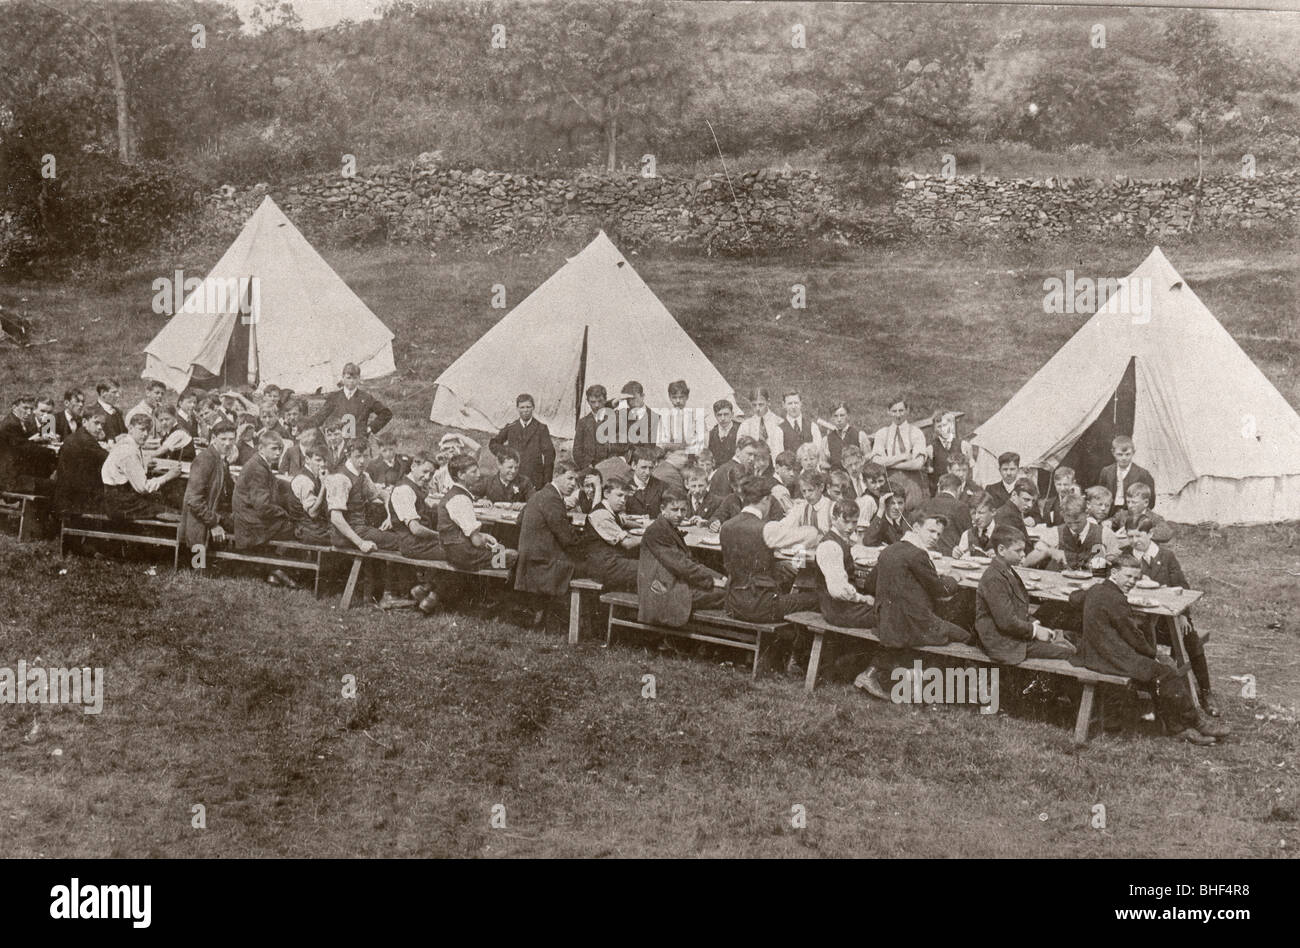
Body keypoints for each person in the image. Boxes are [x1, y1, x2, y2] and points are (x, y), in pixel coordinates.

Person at [1070, 555, 1228, 744]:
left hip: (1094, 654)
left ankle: (1180, 727)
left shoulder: (1097, 590)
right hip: (1109, 658)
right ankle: (1194, 722)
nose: (1131, 582)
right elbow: (1133, 637)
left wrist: (1087, 589)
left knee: (1160, 673)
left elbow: (1074, 599)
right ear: (1115, 573)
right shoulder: (1116, 599)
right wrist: (1155, 654)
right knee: (1166, 672)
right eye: (1128, 576)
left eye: (1135, 579)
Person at [855, 513, 970, 700]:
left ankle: (876, 673)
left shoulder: (889, 550)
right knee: (964, 635)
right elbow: (942, 590)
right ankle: (933, 686)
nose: (935, 537)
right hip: (910, 625)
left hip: (885, 622)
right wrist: (954, 577)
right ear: (915, 528)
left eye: (939, 534)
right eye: (931, 531)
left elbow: (869, 585)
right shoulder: (918, 554)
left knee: (942, 621)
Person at [719, 475, 820, 670]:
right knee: (815, 599)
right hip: (761, 606)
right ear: (766, 500)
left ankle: (781, 654)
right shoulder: (767, 529)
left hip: (733, 602)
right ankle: (797, 659)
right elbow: (811, 534)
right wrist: (797, 512)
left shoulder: (727, 526)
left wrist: (775, 565)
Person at [1131, 515, 1217, 714]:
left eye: (1139, 535)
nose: (1135, 541)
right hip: (1138, 621)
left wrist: (1182, 614)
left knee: (1190, 637)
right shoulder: (1128, 557)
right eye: (1131, 536)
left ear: (1150, 534)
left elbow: (1183, 588)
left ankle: (1206, 692)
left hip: (1167, 619)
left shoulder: (1165, 556)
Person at [974, 527, 1076, 663]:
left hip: (1011, 635)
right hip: (1001, 642)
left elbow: (1015, 612)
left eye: (1023, 550)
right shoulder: (994, 578)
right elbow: (1007, 622)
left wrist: (1035, 625)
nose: (1023, 555)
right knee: (1067, 652)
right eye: (1018, 551)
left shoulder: (1007, 570)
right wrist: (1035, 631)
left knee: (1066, 638)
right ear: (1001, 550)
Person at [637, 486, 726, 627]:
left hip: (671, 582)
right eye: (674, 510)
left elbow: (688, 563)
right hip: (662, 589)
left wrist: (720, 577)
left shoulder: (668, 527)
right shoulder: (657, 531)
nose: (679, 514)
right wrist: (711, 580)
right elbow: (681, 565)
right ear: (662, 508)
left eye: (683, 510)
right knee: (725, 594)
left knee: (724, 590)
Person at [514, 459, 582, 625]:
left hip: (529, 560)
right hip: (543, 562)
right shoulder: (552, 499)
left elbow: (518, 520)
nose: (574, 484)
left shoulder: (540, 494)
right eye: (570, 478)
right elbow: (567, 539)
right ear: (557, 475)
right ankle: (580, 622)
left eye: (576, 480)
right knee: (588, 566)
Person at [386, 453, 444, 614]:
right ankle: (433, 595)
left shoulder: (413, 487)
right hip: (413, 543)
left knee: (458, 548)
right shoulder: (404, 489)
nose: (427, 477)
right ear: (413, 466)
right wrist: (439, 536)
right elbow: (416, 529)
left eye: (431, 474)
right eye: (425, 472)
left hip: (418, 542)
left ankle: (426, 589)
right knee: (458, 553)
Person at [100, 413, 182, 522]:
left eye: (148, 430)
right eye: (142, 429)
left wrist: (144, 464)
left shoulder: (128, 444)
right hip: (122, 504)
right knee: (172, 512)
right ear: (130, 428)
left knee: (164, 500)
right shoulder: (128, 451)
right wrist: (169, 476)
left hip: (121, 498)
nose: (145, 434)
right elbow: (144, 487)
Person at [325, 438, 400, 554]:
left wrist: (389, 516)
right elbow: (336, 517)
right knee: (400, 540)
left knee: (398, 532)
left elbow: (385, 495)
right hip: (346, 535)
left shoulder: (363, 476)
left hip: (360, 529)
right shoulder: (341, 479)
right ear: (348, 456)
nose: (362, 461)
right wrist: (361, 543)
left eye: (366, 456)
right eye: (358, 456)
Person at [232, 430, 299, 552]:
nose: (278, 453)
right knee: (296, 528)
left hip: (250, 516)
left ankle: (278, 562)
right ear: (261, 448)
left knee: (293, 522)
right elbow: (262, 506)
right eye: (274, 449)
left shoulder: (260, 463)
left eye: (280, 449)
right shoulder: (258, 468)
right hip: (249, 523)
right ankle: (280, 565)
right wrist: (283, 513)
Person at [815, 498, 877, 629]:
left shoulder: (842, 540)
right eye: (845, 521)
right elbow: (839, 591)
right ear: (834, 519)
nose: (850, 527)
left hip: (843, 607)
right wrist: (863, 599)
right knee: (892, 614)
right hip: (839, 611)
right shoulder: (830, 546)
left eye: (854, 522)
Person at [577, 477, 641, 592]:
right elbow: (628, 543)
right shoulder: (601, 514)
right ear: (606, 494)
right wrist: (652, 533)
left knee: (647, 565)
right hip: (604, 566)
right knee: (649, 568)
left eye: (625, 497)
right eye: (619, 495)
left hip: (611, 562)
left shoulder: (610, 510)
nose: (623, 500)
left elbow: (624, 521)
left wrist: (644, 526)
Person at [181, 420, 237, 550]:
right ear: (213, 438)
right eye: (223, 439)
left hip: (216, 513)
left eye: (231, 439)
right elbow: (194, 500)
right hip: (202, 521)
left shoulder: (221, 459)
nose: (228, 443)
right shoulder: (204, 460)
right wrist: (214, 524)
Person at [1028, 494, 1121, 571]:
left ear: (1087, 513)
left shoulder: (1105, 533)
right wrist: (1049, 552)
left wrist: (1108, 559)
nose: (1074, 525)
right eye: (1069, 521)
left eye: (1077, 521)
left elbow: (1118, 561)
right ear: (1062, 515)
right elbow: (1028, 562)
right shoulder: (1054, 533)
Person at [869, 396, 929, 510]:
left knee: (913, 515)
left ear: (907, 410)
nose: (898, 415)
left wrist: (889, 462)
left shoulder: (916, 433)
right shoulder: (882, 433)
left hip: (912, 484)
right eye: (894, 411)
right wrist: (903, 457)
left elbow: (918, 464)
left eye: (901, 410)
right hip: (890, 481)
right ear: (888, 412)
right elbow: (876, 461)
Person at [304, 362, 392, 437]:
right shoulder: (334, 397)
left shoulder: (366, 398)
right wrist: (304, 424)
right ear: (342, 377)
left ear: (359, 378)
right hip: (339, 440)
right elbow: (320, 417)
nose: (351, 381)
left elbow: (386, 413)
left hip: (359, 441)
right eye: (348, 378)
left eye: (355, 378)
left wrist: (370, 428)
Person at [489, 392, 555, 490]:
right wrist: (507, 453)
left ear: (533, 408)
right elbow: (493, 443)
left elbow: (549, 455)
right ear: (517, 408)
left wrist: (546, 481)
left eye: (528, 407)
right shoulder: (511, 427)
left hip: (534, 476)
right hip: (514, 474)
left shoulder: (541, 428)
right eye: (522, 407)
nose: (525, 410)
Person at [53, 411, 110, 519]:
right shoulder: (86, 440)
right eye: (96, 423)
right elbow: (109, 460)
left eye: (102, 425)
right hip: (77, 498)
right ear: (84, 422)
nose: (99, 428)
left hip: (69, 494)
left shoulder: (79, 435)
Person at [286, 435, 334, 547]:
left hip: (314, 526)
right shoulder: (304, 480)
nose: (322, 464)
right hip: (304, 528)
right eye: (318, 460)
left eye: (324, 460)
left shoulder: (315, 476)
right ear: (307, 459)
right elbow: (312, 513)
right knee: (341, 539)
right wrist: (324, 486)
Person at [1097, 434, 1156, 518]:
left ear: (1133, 452)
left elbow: (1150, 501)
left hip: (1132, 515)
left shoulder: (1143, 474)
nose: (1124, 458)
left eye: (1127, 454)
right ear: (1113, 453)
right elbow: (1101, 495)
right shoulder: (1106, 472)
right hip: (1109, 513)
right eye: (1120, 454)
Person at [923, 473, 973, 556]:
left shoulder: (925, 504)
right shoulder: (961, 507)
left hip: (926, 553)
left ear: (939, 488)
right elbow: (969, 535)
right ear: (959, 489)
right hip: (950, 556)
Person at [658, 380, 707, 457]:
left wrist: (687, 450)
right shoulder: (665, 416)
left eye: (681, 397)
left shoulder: (696, 415)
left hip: (692, 456)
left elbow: (702, 442)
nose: (678, 401)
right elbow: (660, 443)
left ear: (687, 397)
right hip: (670, 457)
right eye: (674, 397)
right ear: (669, 398)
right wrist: (672, 447)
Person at [573, 384, 616, 471]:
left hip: (610, 466)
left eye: (600, 401)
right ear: (588, 402)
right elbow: (577, 450)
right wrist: (587, 465)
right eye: (593, 402)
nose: (596, 405)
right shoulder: (583, 423)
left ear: (605, 400)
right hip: (590, 467)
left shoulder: (615, 419)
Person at [736, 386, 784, 461]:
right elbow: (740, 450)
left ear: (768, 402)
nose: (757, 408)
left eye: (761, 404)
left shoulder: (779, 423)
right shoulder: (746, 425)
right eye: (754, 405)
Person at [821, 402, 870, 472]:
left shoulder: (860, 435)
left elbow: (868, 458)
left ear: (848, 416)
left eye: (842, 415)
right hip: (836, 479)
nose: (839, 419)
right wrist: (833, 468)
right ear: (831, 418)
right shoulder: (826, 440)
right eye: (835, 416)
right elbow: (823, 462)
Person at [926, 409, 965, 496]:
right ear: (934, 428)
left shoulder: (961, 444)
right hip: (940, 492)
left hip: (960, 489)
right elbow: (929, 474)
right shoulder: (931, 448)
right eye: (939, 426)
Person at [782, 470, 833, 535]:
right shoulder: (801, 507)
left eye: (810, 490)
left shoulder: (831, 508)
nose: (807, 495)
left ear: (821, 487)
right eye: (804, 491)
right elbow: (785, 524)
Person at [992, 477, 1038, 549]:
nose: (1030, 505)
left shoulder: (1007, 510)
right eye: (1026, 500)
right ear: (1014, 495)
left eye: (1033, 501)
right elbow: (1021, 549)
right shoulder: (1010, 516)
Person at [625, 445, 668, 518]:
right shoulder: (624, 487)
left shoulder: (663, 487)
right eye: (643, 467)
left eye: (650, 468)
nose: (647, 472)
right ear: (633, 465)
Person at [954, 492, 999, 558]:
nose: (976, 517)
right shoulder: (967, 535)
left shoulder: (1004, 534)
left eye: (981, 513)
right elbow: (962, 562)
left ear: (993, 512)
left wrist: (1001, 558)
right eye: (973, 513)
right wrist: (957, 556)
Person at [777, 390, 822, 455]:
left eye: (796, 403)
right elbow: (778, 458)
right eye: (790, 403)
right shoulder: (779, 430)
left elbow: (818, 454)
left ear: (801, 403)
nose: (793, 407)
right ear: (784, 405)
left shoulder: (813, 427)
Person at [94, 379, 127, 443]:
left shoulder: (117, 412)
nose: (118, 395)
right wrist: (115, 440)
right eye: (114, 392)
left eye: (117, 392)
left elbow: (124, 432)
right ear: (103, 393)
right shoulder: (92, 412)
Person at [707, 399, 739, 465]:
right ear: (715, 416)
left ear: (732, 414)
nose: (723, 418)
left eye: (726, 414)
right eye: (719, 415)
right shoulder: (711, 434)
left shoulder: (740, 430)